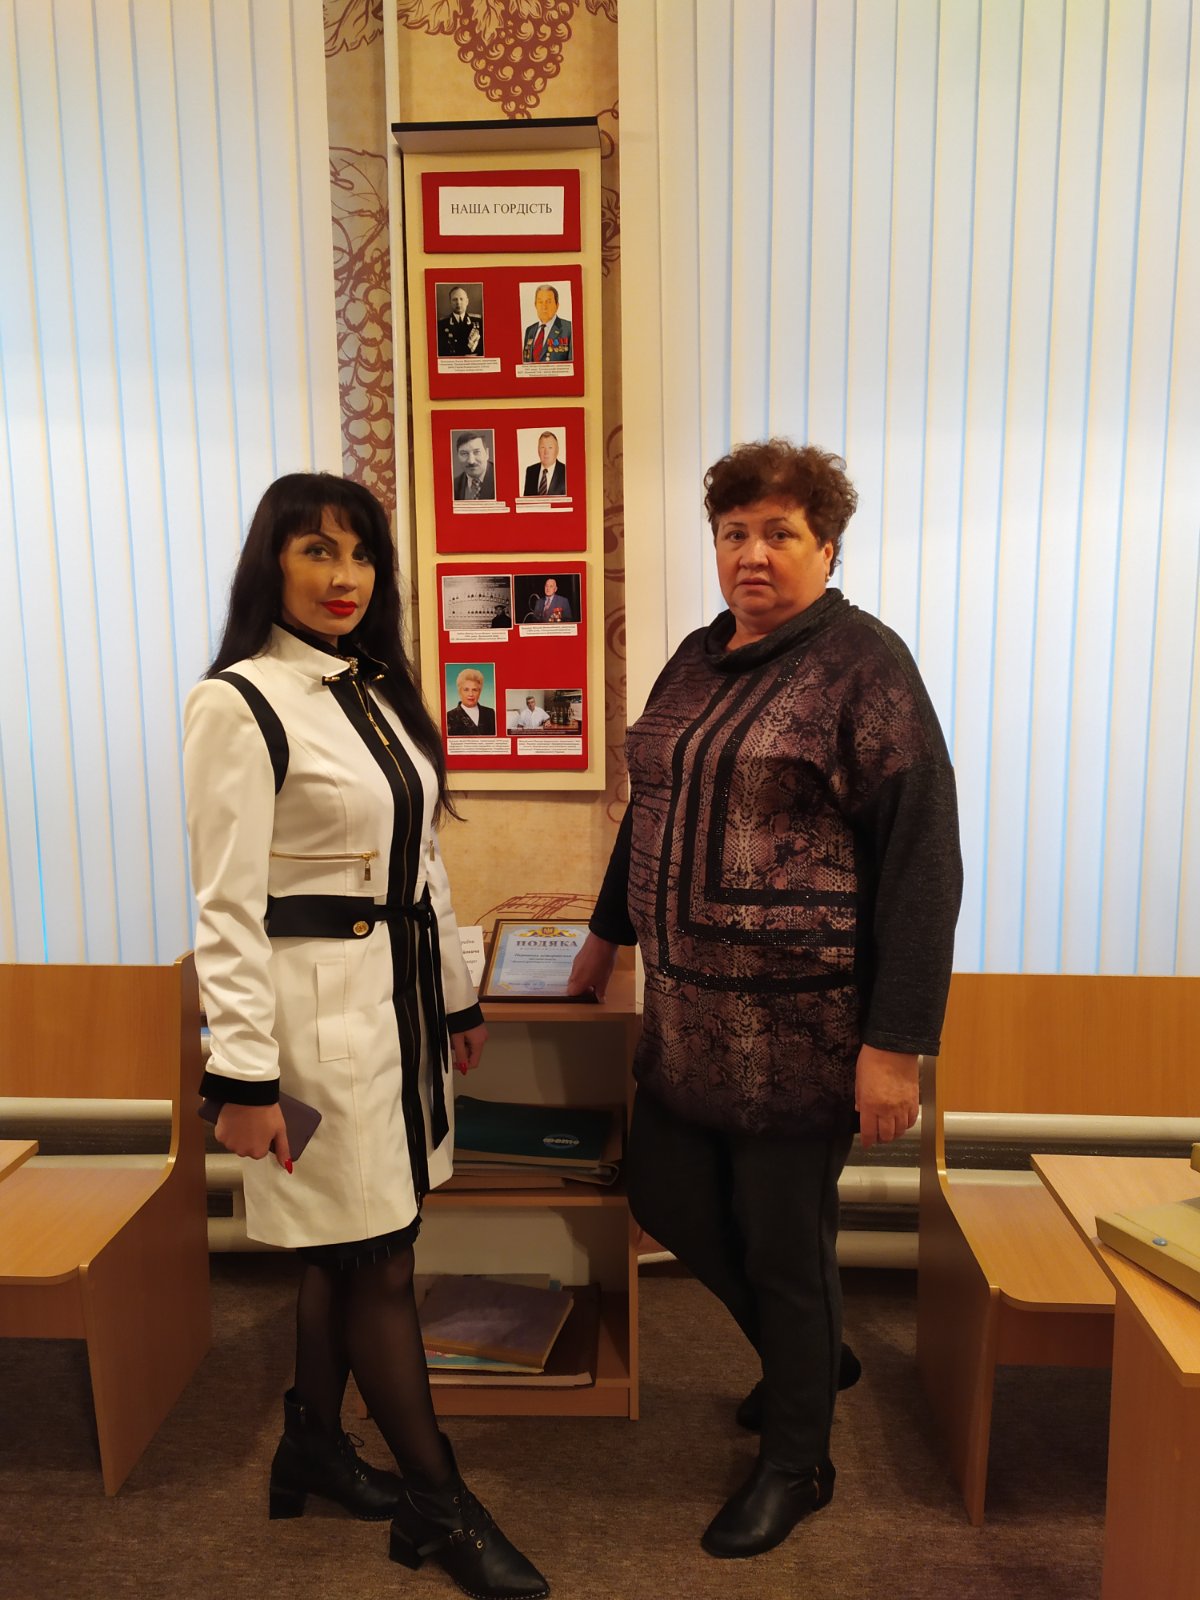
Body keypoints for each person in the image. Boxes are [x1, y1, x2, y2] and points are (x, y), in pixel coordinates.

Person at [568, 440, 962, 1560]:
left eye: (780, 533)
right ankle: (813, 1359)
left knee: (787, 1246)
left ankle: (800, 1460)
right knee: (667, 1192)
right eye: (735, 532)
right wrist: (603, 937)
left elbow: (924, 861)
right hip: (684, 1019)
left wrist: (896, 1044)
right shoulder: (694, 660)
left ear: (826, 547)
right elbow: (651, 809)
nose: (753, 553)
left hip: (805, 1030)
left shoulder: (864, 667)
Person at [184, 473, 547, 1600]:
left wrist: (458, 999)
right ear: (272, 564)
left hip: (396, 1009)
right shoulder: (238, 703)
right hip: (309, 1031)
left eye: (361, 554)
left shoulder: (379, 688)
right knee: (376, 1256)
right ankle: (439, 1504)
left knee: (345, 1244)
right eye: (316, 551)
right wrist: (243, 1076)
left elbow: (422, 866)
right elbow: (226, 910)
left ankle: (312, 1445)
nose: (344, 577)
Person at [521, 286, 572, 363]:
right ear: (535, 305)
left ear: (557, 305)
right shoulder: (530, 330)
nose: (544, 307)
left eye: (548, 302)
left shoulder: (568, 329)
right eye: (540, 302)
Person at [446, 667, 496, 736]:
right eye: (466, 690)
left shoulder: (490, 713)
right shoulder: (449, 717)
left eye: (474, 690)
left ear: (480, 692)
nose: (471, 694)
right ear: (459, 692)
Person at [437, 284, 484, 357]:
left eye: (461, 299)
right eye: (454, 299)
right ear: (450, 302)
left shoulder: (479, 321)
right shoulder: (441, 324)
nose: (458, 303)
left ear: (467, 301)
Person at [452, 431, 496, 502]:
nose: (471, 461)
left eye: (477, 452)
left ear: (487, 453)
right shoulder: (454, 485)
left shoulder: (501, 479)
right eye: (464, 454)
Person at [522, 432, 566, 497]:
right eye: (542, 447)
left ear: (557, 450)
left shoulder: (566, 471)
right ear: (538, 450)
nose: (546, 452)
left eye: (550, 447)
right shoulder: (530, 471)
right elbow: (526, 500)